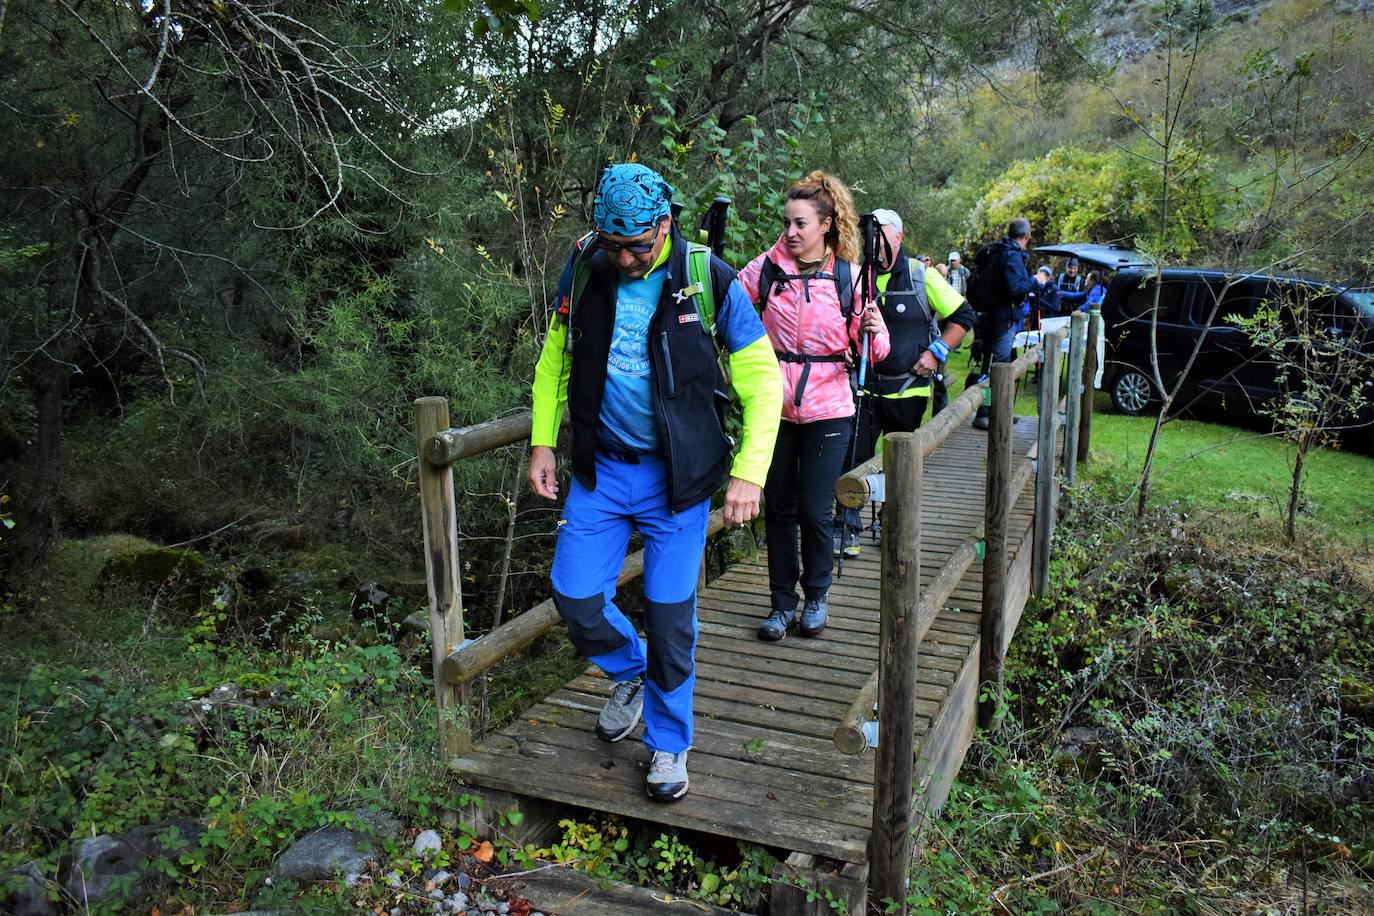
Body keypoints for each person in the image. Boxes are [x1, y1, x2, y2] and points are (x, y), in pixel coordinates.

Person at [528, 163, 783, 802]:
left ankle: (669, 747)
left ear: (664, 225)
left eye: (637, 246)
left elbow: (762, 381)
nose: (625, 258)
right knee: (575, 595)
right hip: (601, 471)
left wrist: (750, 472)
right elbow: (555, 357)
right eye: (613, 245)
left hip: (678, 483)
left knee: (671, 622)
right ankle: (630, 672)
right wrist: (542, 439)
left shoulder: (705, 279)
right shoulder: (587, 267)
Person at [736, 170, 887, 642]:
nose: (791, 232)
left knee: (816, 509)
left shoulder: (848, 277)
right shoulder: (765, 270)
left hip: (829, 406)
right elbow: (728, 310)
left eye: (801, 223)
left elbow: (875, 348)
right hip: (773, 406)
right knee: (778, 508)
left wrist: (871, 334)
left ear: (826, 225)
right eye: (787, 223)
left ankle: (816, 595)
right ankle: (782, 604)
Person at [835, 207, 974, 554]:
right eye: (871, 232)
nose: (874, 241)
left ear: (899, 236)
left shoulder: (919, 275)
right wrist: (846, 350)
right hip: (863, 388)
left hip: (907, 389)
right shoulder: (857, 277)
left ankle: (890, 521)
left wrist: (936, 352)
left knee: (900, 463)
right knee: (854, 459)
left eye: (881, 232)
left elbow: (963, 315)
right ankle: (847, 528)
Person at [970, 218, 1036, 430]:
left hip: (990, 316)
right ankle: (985, 412)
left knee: (993, 365)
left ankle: (999, 412)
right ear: (1027, 237)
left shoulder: (998, 251)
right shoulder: (1011, 255)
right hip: (1002, 320)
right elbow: (1016, 288)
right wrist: (1035, 281)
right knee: (997, 369)